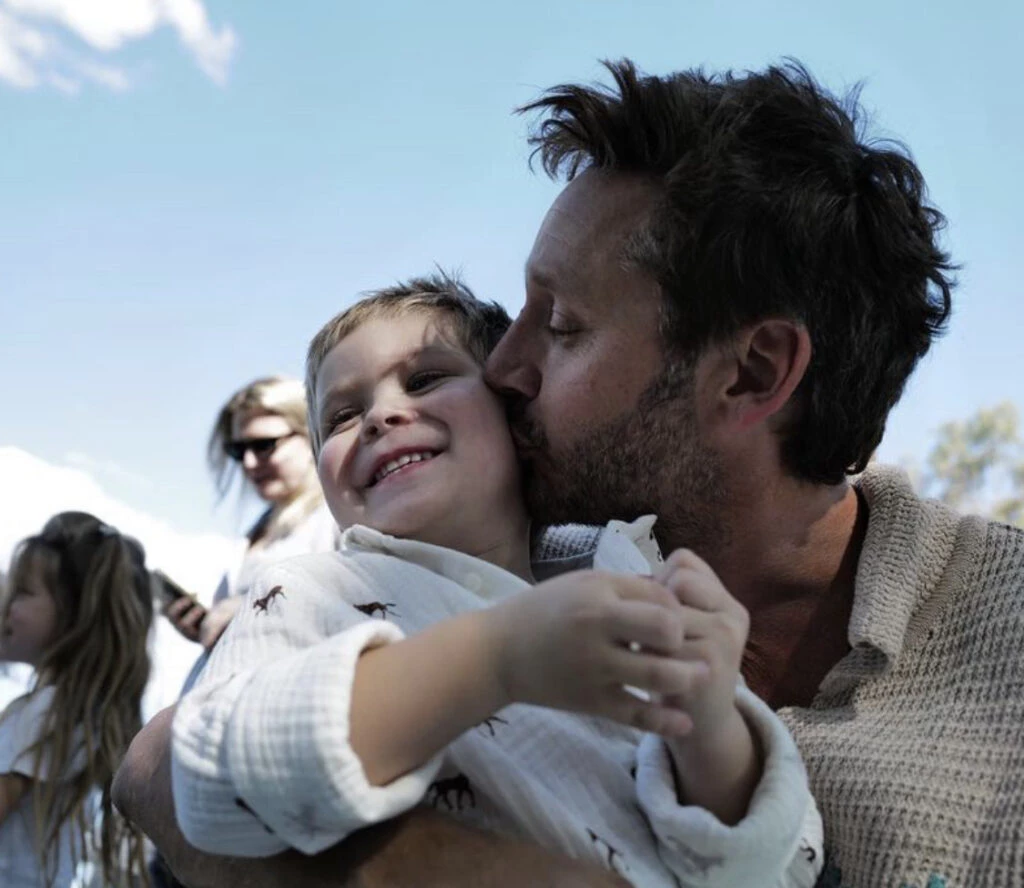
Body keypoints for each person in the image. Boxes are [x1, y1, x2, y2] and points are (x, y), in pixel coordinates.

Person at [113, 58, 1024, 888]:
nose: (504, 368)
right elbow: (172, 768)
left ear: (751, 374)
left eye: (562, 326)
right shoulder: (486, 561)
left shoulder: (997, 650)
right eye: (343, 414)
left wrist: (712, 734)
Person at [170, 275, 822, 888]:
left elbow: (780, 865)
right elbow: (207, 784)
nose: (380, 416)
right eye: (341, 416)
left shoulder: (634, 577)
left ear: (516, 418)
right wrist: (495, 658)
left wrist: (708, 725)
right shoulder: (307, 591)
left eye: (425, 380)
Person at [1, 511, 153, 888]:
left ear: (74, 615)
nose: (6, 603)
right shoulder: (67, 710)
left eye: (22, 592)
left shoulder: (49, 713)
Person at [165, 376, 339, 654]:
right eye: (237, 450)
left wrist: (253, 610)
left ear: (310, 435)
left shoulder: (339, 516)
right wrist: (208, 628)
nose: (248, 462)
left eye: (264, 445)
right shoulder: (257, 530)